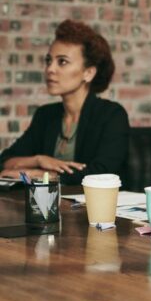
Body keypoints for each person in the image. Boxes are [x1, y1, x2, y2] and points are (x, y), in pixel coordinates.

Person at [0, 19, 129, 185]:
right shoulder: (46, 115)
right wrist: (39, 160)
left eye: (62, 61)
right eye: (48, 61)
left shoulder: (111, 115)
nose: (50, 69)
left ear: (88, 73)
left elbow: (102, 174)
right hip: (49, 207)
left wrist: (37, 175)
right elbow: (5, 161)